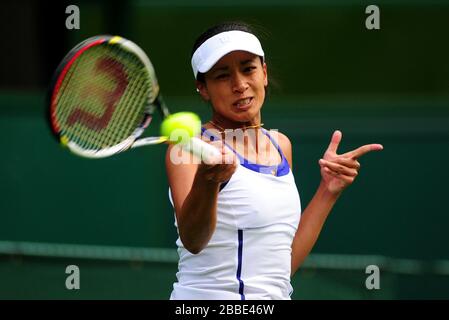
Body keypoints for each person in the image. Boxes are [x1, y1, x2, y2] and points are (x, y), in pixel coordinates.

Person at [165, 22, 383, 300]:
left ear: (264, 73)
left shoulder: (280, 144)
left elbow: (281, 266)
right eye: (222, 76)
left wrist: (328, 191)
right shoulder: (188, 146)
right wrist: (209, 181)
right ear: (203, 88)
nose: (240, 85)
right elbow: (193, 240)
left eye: (248, 68)